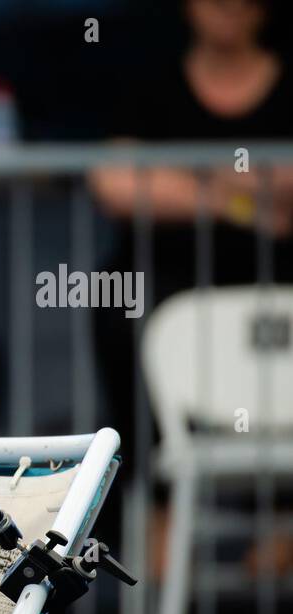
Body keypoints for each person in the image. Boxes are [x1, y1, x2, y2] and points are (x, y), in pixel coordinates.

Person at [89, 0, 293, 581]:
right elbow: (116, 181)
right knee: (114, 302)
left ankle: (284, 518)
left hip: (274, 304)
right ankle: (159, 500)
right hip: (167, 298)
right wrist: (243, 199)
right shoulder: (151, 80)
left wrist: (181, 177)